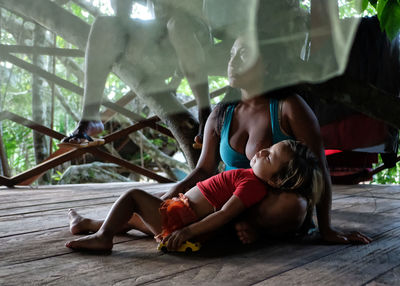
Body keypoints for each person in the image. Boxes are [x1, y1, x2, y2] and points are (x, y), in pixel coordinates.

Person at [162, 34, 372, 245]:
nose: (233, 63)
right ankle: (230, 229)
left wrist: (327, 229)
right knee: (177, 207)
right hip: (229, 204)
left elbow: (319, 167)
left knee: (293, 205)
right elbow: (204, 169)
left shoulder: (289, 107)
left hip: (270, 210)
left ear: (268, 65)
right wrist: (170, 195)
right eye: (232, 55)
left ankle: (241, 229)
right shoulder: (222, 112)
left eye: (243, 55)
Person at [66, 140, 323, 251]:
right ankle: (85, 224)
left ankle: (103, 237)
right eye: (267, 148)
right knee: (132, 218)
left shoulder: (252, 186)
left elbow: (224, 214)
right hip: (179, 211)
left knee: (133, 196)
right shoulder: (251, 180)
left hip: (181, 219)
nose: (262, 151)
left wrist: (187, 232)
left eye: (270, 156)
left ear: (277, 179)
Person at [61, 0, 211, 146]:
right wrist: (125, 29)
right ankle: (90, 117)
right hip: (159, 37)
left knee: (178, 23)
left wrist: (176, 79)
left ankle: (205, 113)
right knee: (104, 24)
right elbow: (123, 11)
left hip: (195, 32)